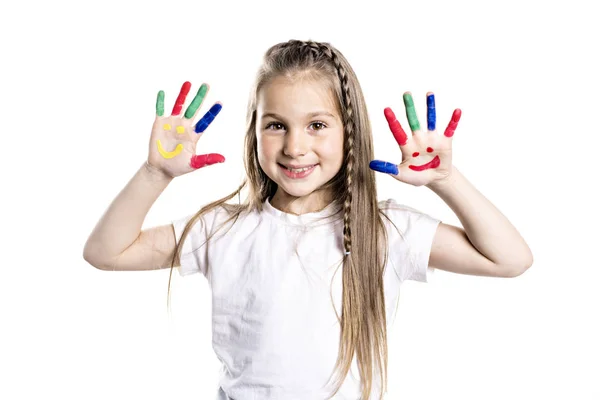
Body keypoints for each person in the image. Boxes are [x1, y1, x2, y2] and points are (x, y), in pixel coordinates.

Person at [83, 39, 533, 400]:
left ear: (349, 130)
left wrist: (445, 180)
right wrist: (155, 172)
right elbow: (105, 252)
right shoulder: (220, 229)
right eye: (276, 125)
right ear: (253, 130)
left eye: (317, 125)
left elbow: (510, 259)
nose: (295, 147)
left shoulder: (388, 231)